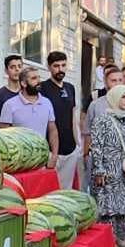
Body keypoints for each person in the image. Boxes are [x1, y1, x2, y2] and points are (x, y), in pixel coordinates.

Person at [89, 85, 125, 247]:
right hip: (107, 169)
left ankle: (122, 238)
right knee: (108, 207)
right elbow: (96, 146)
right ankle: (110, 240)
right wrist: (99, 170)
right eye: (123, 97)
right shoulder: (102, 120)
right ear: (114, 98)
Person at [41, 51, 84, 188]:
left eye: (63, 65)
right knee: (49, 190)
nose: (60, 69)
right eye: (56, 66)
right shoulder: (42, 88)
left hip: (70, 148)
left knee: (66, 189)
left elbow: (73, 116)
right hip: (50, 149)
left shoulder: (70, 88)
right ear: (49, 67)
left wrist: (78, 143)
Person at [0, 68, 58, 151]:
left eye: (38, 77)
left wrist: (54, 154)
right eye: (34, 78)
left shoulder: (47, 102)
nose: (38, 81)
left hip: (42, 155)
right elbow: (4, 135)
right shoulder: (9, 104)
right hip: (19, 156)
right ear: (24, 83)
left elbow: (52, 130)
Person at [0, 54, 25, 124]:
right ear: (6, 71)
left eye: (19, 66)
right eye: (12, 67)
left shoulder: (27, 93)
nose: (17, 69)